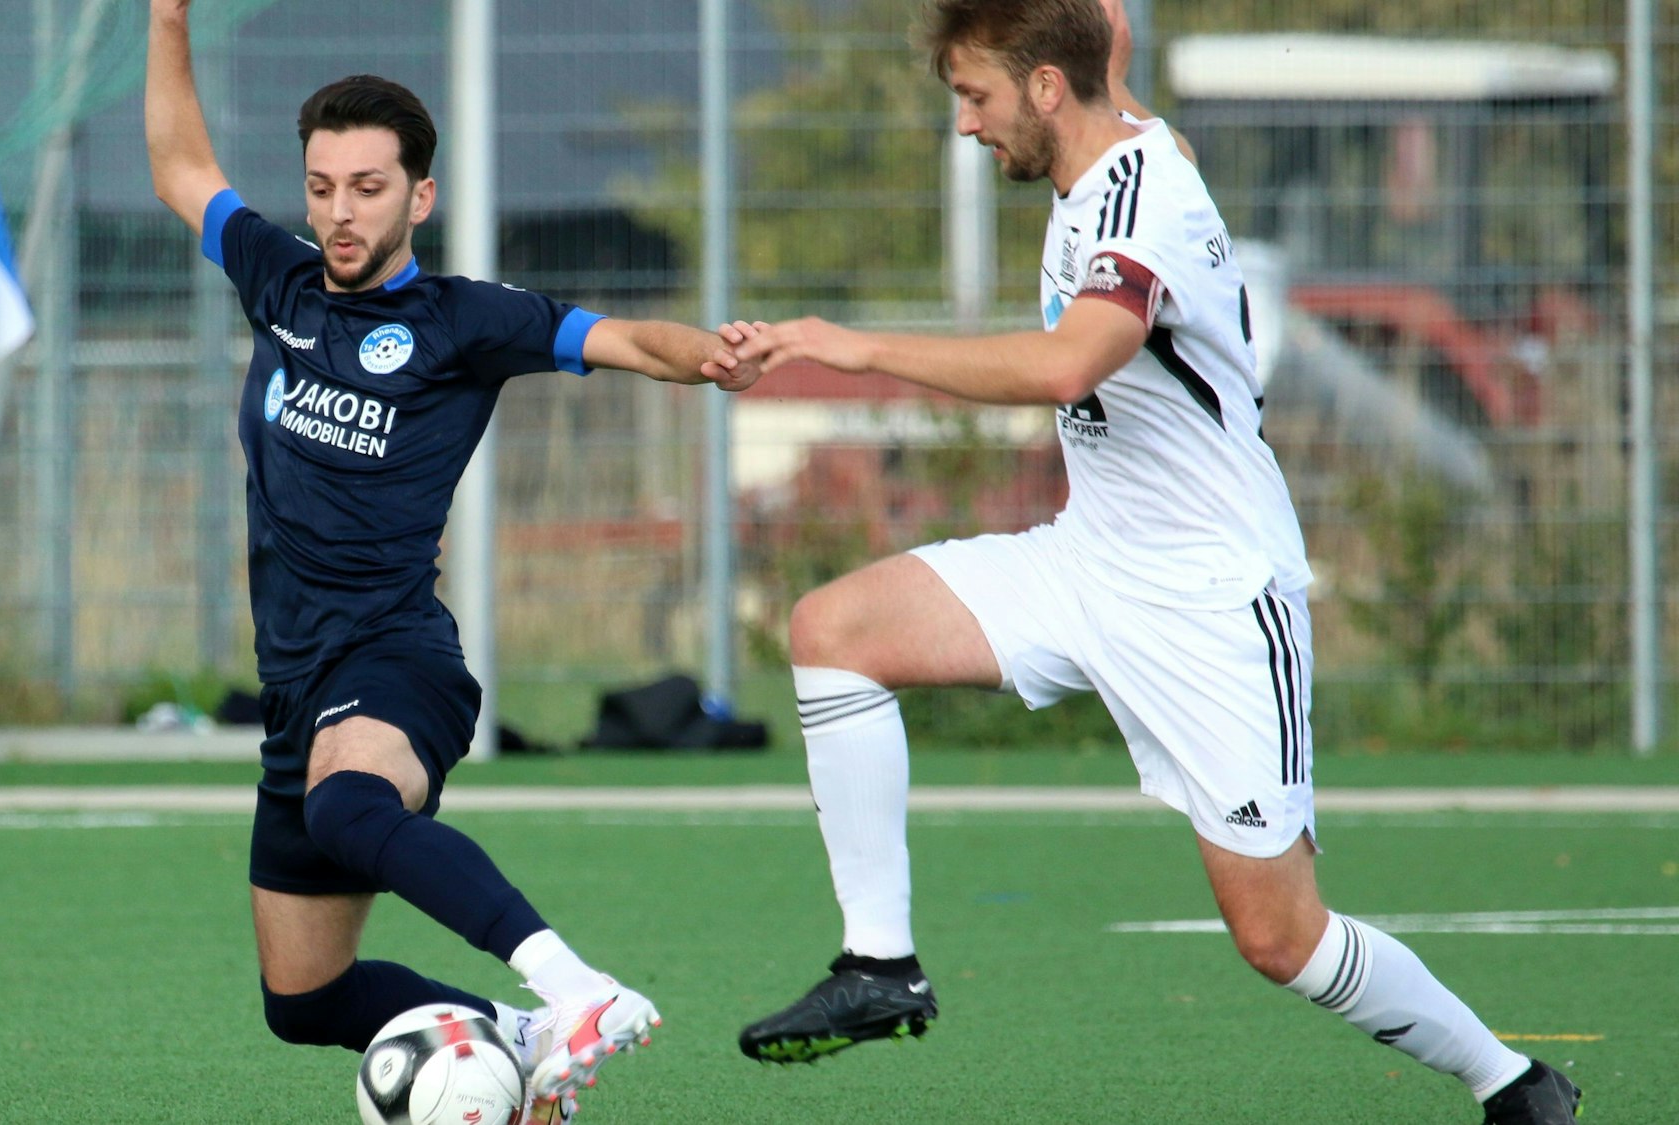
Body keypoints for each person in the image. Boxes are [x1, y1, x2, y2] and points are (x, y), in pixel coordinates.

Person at [728, 2, 1579, 1122]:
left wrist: (850, 344)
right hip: (1087, 563)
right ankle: (879, 968)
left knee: (1279, 939)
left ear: (1041, 88)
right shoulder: (1112, 132)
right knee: (831, 631)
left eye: (973, 98)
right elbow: (1106, 39)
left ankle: (1511, 1083)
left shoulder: (1148, 198)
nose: (964, 127)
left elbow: (1067, 364)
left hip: (1210, 601)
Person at [144, 1, 762, 1117]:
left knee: (348, 812)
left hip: (396, 661)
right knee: (304, 999)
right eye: (322, 185)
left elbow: (617, 338)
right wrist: (169, 17)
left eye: (367, 187)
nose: (338, 211)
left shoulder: (460, 320)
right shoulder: (277, 283)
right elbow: (183, 166)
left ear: (418, 196)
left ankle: (577, 990)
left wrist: (708, 357)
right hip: (296, 686)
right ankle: (521, 1036)